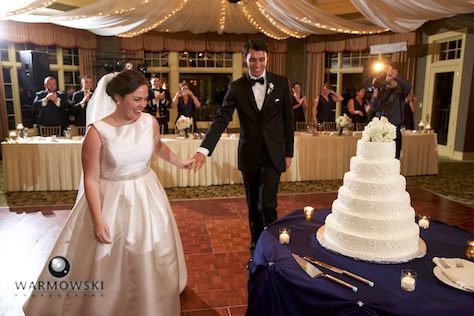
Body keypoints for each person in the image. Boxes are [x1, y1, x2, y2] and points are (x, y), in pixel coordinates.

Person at [23, 69, 193, 316]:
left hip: (147, 195)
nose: (142, 105)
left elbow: (157, 147)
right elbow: (90, 180)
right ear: (117, 97)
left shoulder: (149, 121)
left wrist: (181, 162)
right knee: (107, 258)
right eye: (136, 99)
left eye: (145, 99)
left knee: (149, 250)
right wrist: (98, 219)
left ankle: (151, 300)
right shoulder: (97, 132)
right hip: (110, 199)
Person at [191, 38, 294, 260]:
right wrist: (204, 149)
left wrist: (289, 153)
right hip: (250, 154)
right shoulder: (236, 87)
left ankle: (274, 246)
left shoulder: (282, 83)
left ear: (267, 58)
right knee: (253, 206)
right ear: (245, 58)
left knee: (267, 204)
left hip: (274, 153)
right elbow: (221, 120)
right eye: (253, 60)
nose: (257, 64)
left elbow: (288, 121)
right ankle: (256, 250)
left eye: (261, 59)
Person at [370, 66, 412, 159]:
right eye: (387, 76)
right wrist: (375, 92)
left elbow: (408, 86)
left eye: (391, 76)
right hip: (380, 129)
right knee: (379, 157)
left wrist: (392, 74)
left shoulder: (401, 92)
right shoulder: (383, 92)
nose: (389, 78)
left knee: (393, 158)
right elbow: (374, 107)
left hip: (394, 129)